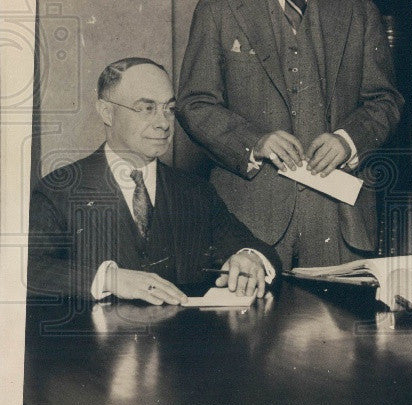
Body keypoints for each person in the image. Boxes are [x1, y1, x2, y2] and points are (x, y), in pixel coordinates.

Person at [178, 0, 402, 268]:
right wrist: (255, 141)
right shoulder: (218, 10)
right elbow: (195, 104)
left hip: (338, 220)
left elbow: (385, 101)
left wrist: (348, 140)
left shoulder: (359, 13)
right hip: (248, 222)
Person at [28, 58, 277, 303]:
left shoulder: (195, 192)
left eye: (169, 109)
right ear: (107, 112)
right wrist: (109, 279)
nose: (163, 123)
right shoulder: (59, 189)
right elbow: (27, 270)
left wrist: (250, 258)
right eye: (147, 108)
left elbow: (257, 248)